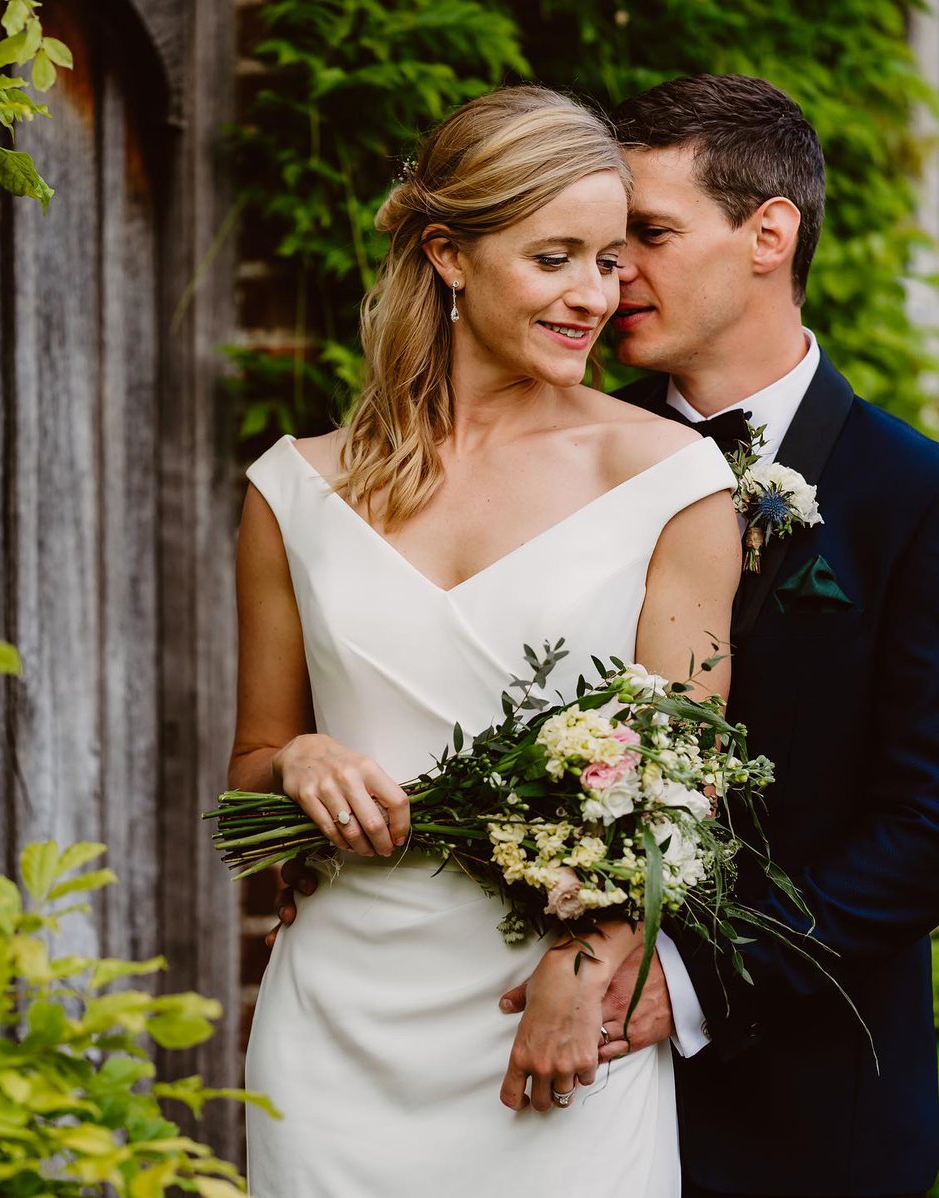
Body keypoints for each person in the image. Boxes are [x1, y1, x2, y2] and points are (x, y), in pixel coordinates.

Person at [232, 85, 739, 1197]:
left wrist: (593, 957)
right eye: (555, 256)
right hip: (337, 1028)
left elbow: (685, 778)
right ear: (448, 253)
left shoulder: (670, 481)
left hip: (551, 1020)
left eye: (609, 261)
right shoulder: (290, 489)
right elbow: (254, 764)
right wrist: (301, 760)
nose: (593, 295)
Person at [496, 74, 939, 1198]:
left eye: (645, 233)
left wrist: (687, 979)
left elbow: (923, 828)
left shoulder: (913, 496)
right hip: (538, 1090)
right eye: (595, 243)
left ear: (768, 234)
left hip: (812, 1116)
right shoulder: (543, 469)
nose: (612, 275)